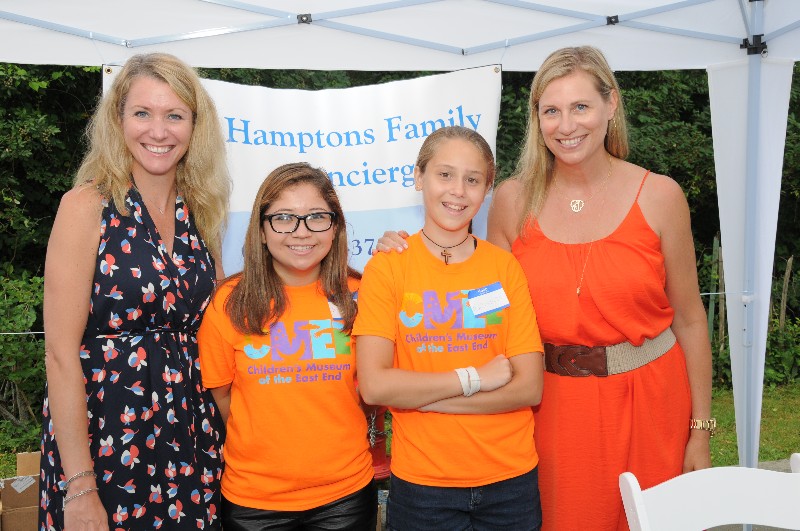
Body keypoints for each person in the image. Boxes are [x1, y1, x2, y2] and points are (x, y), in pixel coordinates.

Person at [378, 47, 714, 530]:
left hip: (650, 402)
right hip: (551, 407)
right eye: (551, 110)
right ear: (536, 118)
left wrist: (700, 430)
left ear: (611, 105)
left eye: (581, 106)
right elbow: (479, 297)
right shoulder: (513, 200)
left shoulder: (660, 196)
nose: (566, 125)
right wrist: (407, 252)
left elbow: (690, 319)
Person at [40, 52, 231, 530]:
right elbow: (60, 354)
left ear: (195, 126)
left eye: (175, 116)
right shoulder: (86, 205)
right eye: (142, 113)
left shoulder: (202, 212)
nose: (158, 131)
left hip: (192, 436)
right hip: (107, 438)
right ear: (118, 120)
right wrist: (80, 485)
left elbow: (218, 331)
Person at [355, 125, 545, 531]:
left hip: (510, 481)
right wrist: (476, 378)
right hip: (424, 487)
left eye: (473, 180)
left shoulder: (504, 267)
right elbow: (375, 386)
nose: (458, 191)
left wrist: (423, 400)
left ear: (487, 189)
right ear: (419, 177)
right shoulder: (388, 267)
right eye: (445, 174)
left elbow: (529, 388)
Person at [197, 162, 377, 531]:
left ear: (335, 227)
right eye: (283, 218)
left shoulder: (362, 296)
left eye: (317, 217)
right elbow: (224, 398)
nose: (301, 231)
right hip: (253, 502)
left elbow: (373, 391)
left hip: (345, 496)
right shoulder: (229, 303)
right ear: (262, 231)